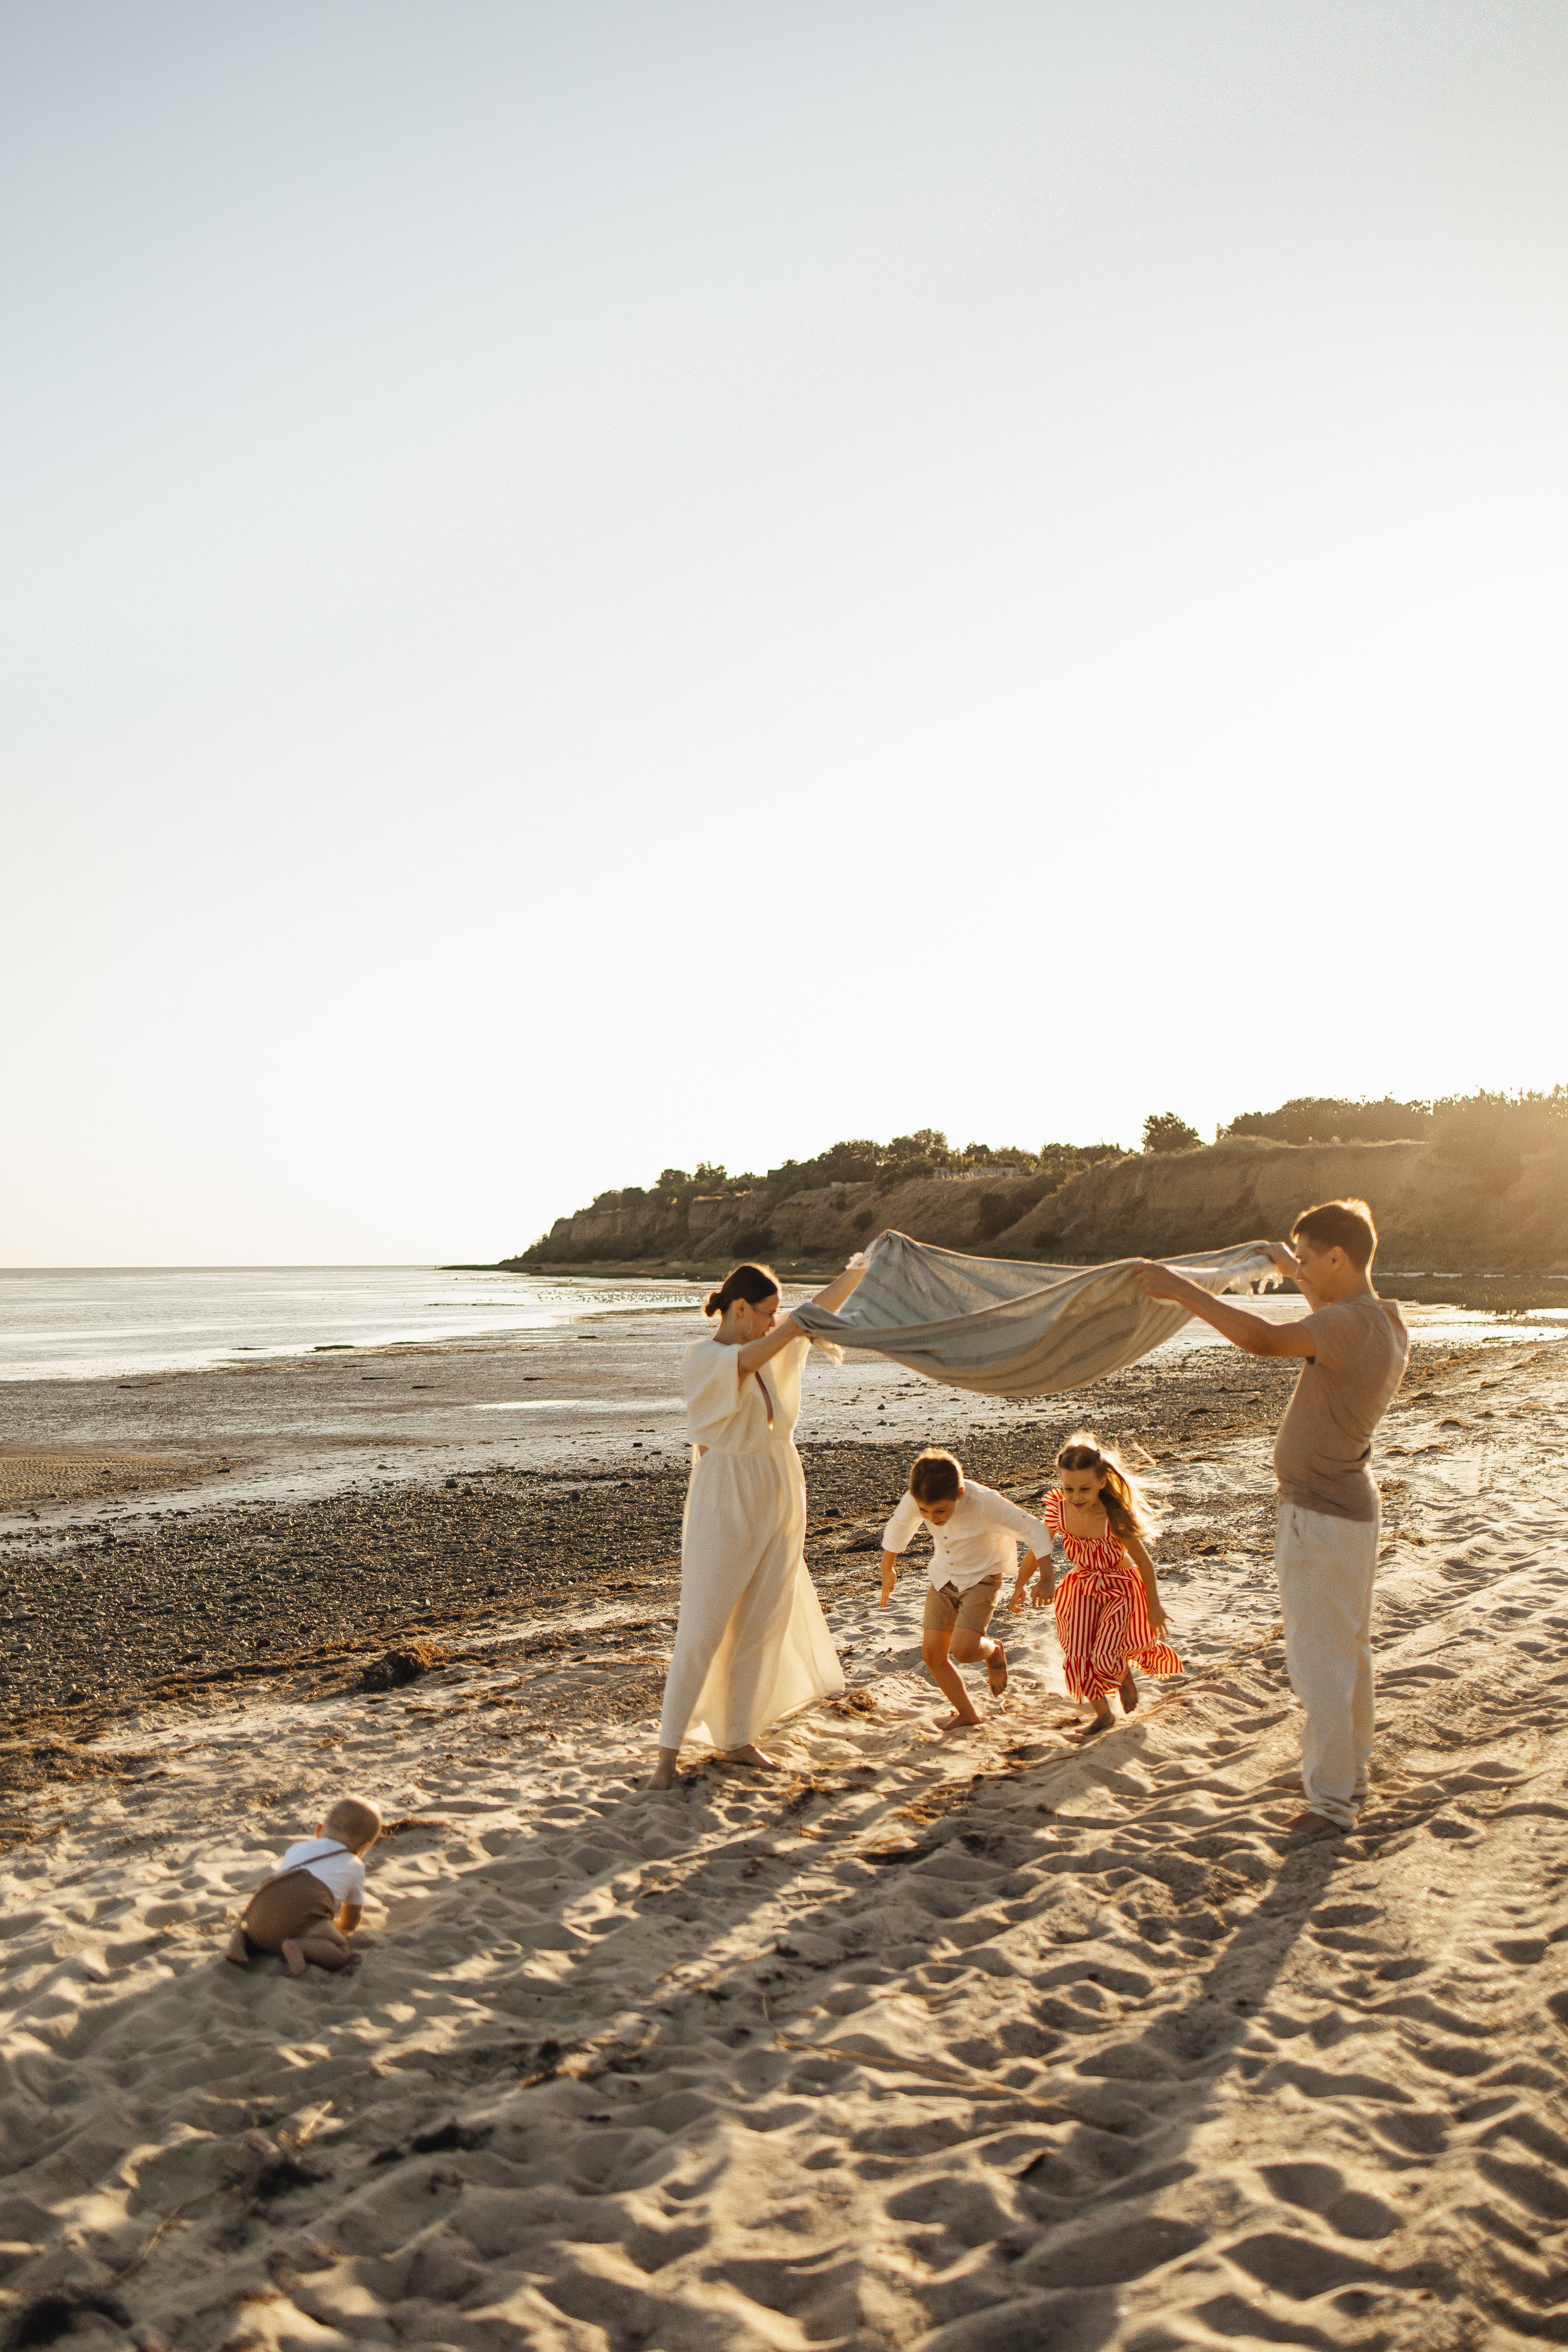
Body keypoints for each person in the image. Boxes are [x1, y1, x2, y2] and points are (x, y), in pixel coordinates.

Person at [1137, 1198, 1409, 1833]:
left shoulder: (1348, 1326)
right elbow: (1329, 1320)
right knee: (1349, 1651)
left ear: (1339, 1257)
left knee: (1320, 1662)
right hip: (1350, 1508)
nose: (1301, 1270)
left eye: (1310, 1260)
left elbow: (1262, 1340)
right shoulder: (1382, 1320)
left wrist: (1183, 1292)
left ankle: (1331, 1802)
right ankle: (1353, 1770)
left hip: (1319, 1515)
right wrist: (1299, 1275)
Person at [648, 1256, 868, 1790]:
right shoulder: (704, 1357)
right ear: (739, 1309)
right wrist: (793, 1326)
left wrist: (858, 1270)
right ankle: (666, 1759)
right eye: (767, 1313)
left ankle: (738, 1737)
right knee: (702, 1627)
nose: (775, 1321)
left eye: (778, 1315)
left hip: (781, 1483)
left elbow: (812, 1314)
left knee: (764, 1617)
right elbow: (747, 1360)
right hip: (726, 1492)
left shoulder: (774, 1342)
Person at [1012, 1434, 1179, 1733]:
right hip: (1081, 1587)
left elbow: (1145, 1563)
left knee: (1104, 1653)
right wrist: (1020, 1586)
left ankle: (1123, 1674)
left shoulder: (1114, 1516)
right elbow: (1038, 1550)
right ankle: (1103, 1714)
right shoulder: (1058, 1511)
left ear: (1102, 1483)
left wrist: (1155, 1607)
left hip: (1121, 1587)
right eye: (1069, 1488)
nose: (1075, 1497)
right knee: (1077, 1652)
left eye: (1084, 1489)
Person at [880, 1447, 1049, 1730]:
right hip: (943, 1577)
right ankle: (968, 1714)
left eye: (940, 1511)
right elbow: (899, 1527)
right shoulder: (917, 1497)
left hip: (983, 1577)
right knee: (933, 1655)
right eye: (924, 1511)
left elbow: (1035, 1529)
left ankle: (994, 1650)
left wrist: (1046, 1578)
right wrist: (888, 1569)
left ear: (958, 1494)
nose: (932, 1518)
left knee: (965, 1650)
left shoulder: (984, 1502)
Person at [225, 1795, 382, 1974]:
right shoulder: (355, 1865)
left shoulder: (297, 1849)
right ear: (362, 1847)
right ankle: (299, 1947)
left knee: (257, 1927)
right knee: (341, 1952)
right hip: (298, 1923)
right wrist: (339, 1929)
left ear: (319, 1830)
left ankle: (240, 1938)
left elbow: (284, 1883)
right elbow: (351, 1919)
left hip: (258, 1918)